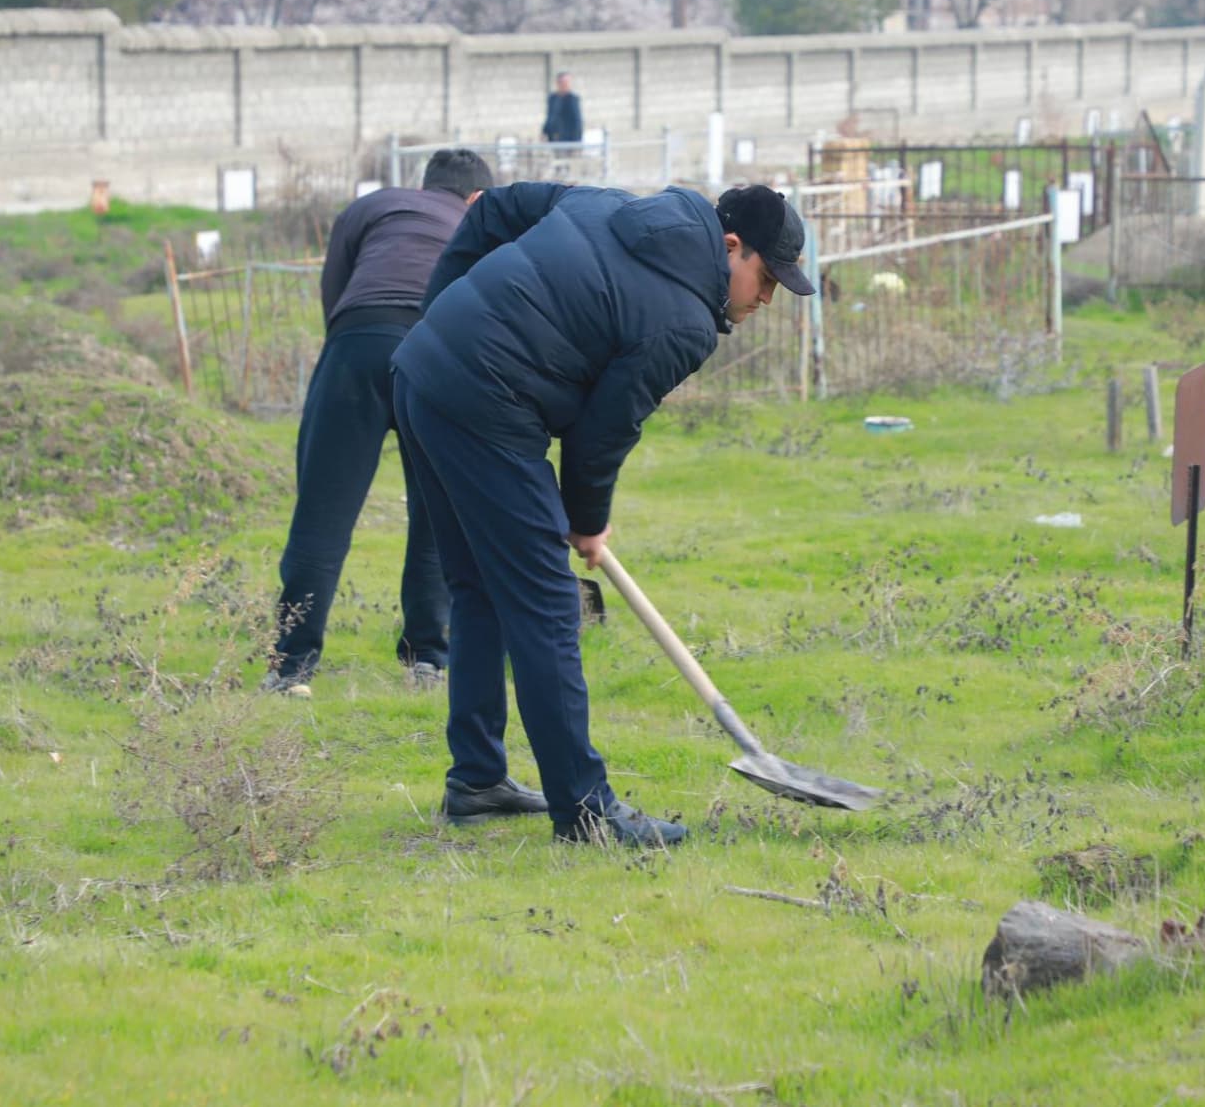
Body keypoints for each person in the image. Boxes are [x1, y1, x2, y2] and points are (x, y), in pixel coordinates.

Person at [391, 182, 812, 845]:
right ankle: (587, 812)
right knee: (548, 606)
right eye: (766, 281)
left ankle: (477, 781)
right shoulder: (684, 323)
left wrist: (438, 315)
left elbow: (495, 207)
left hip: (421, 371)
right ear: (732, 248)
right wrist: (585, 520)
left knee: (478, 588)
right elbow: (601, 435)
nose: (765, 301)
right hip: (486, 401)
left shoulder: (609, 203)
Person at [262, 149, 497, 699]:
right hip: (438, 354)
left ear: (424, 184)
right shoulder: (481, 224)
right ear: (476, 197)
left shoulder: (372, 207)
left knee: (322, 515)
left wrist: (351, 359)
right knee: (437, 516)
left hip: (357, 341)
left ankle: (290, 669)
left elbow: (335, 292)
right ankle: (427, 660)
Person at [541, 72, 583, 146]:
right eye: (561, 82)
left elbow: (577, 121)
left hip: (569, 139)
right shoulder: (553, 98)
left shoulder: (573, 99)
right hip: (553, 138)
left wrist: (577, 141)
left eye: (566, 82)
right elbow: (549, 117)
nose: (564, 85)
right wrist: (544, 132)